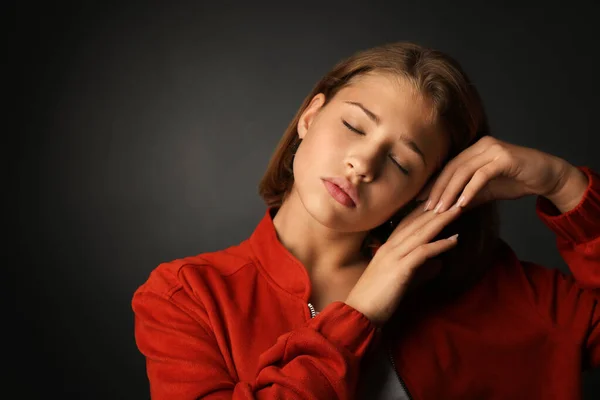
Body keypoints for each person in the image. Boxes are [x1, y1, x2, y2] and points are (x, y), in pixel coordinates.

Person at [132, 41, 599, 399]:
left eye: (401, 163)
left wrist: (562, 183)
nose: (363, 164)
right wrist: (360, 313)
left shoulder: (480, 283)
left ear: (423, 188)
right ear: (311, 116)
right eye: (354, 126)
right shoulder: (186, 296)